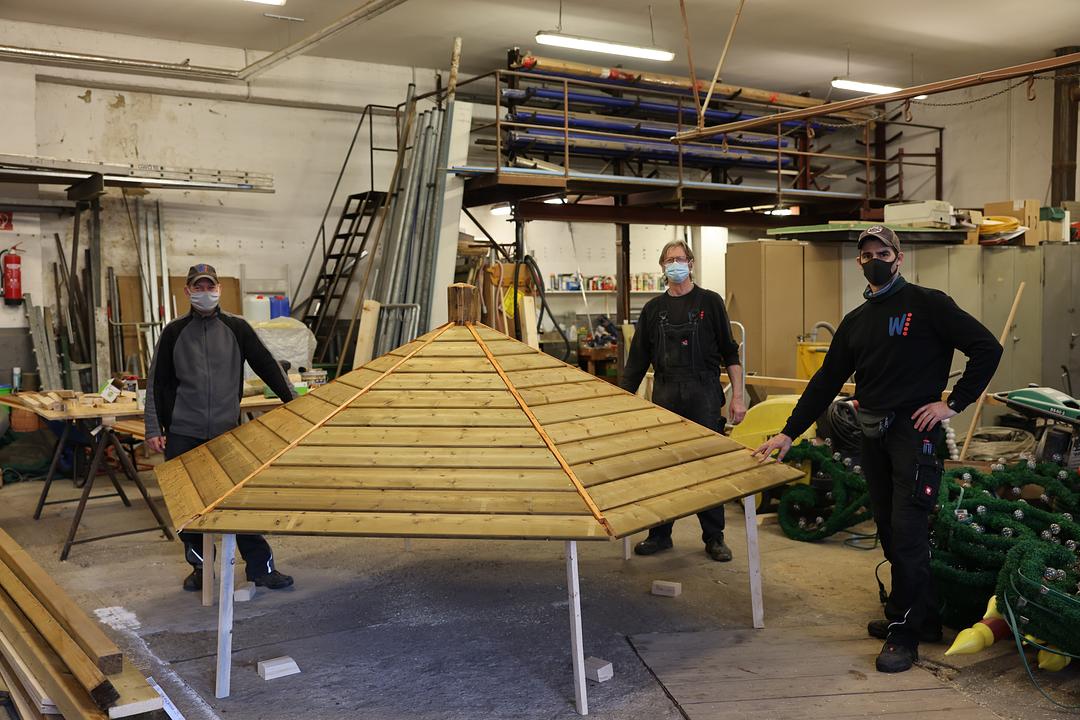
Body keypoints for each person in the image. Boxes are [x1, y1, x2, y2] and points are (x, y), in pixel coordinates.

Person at [753, 226, 1002, 673]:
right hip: (874, 435)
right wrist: (789, 432)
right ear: (859, 262)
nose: (874, 260)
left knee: (907, 532)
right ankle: (922, 617)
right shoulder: (856, 322)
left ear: (899, 258)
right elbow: (826, 381)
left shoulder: (928, 304)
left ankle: (903, 634)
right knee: (888, 528)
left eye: (882, 253)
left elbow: (987, 348)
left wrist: (952, 404)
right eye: (867, 255)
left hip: (914, 435)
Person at [145, 264, 296, 593]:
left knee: (240, 503)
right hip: (183, 433)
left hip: (227, 433)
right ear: (187, 291)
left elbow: (267, 365)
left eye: (210, 287)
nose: (205, 292)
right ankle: (201, 569)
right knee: (188, 510)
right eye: (198, 287)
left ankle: (261, 569)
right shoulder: (173, 332)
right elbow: (156, 382)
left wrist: (295, 404)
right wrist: (154, 429)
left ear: (219, 289)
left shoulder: (236, 328)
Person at [621, 239, 747, 562]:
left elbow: (730, 354)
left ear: (691, 263)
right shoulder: (652, 310)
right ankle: (659, 534)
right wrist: (621, 403)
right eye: (669, 260)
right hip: (664, 396)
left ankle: (714, 537)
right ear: (662, 267)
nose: (675, 264)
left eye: (680, 258)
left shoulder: (711, 302)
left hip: (703, 395)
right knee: (664, 468)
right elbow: (636, 363)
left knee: (708, 466)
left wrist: (738, 397)